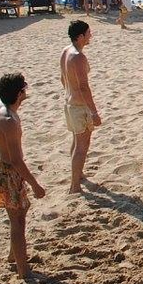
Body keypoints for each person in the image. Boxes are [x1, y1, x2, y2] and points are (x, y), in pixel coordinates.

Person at [0, 73, 46, 277]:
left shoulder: (0, 108)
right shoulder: (8, 120)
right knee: (17, 222)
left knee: (19, 215)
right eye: (24, 88)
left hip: (2, 170)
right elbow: (15, 160)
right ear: (19, 93)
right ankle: (23, 271)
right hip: (8, 172)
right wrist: (35, 184)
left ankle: (13, 256)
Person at [60, 20, 102, 193]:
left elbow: (63, 78)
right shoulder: (78, 57)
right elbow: (84, 87)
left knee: (77, 142)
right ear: (80, 36)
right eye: (88, 33)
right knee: (82, 146)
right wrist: (94, 112)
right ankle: (75, 185)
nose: (90, 35)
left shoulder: (66, 51)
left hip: (70, 103)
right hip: (78, 106)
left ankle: (79, 176)